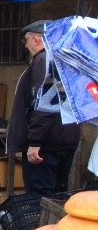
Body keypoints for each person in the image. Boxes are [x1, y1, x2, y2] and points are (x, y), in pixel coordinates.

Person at [8, 20, 80, 197]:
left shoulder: (43, 60)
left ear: (35, 39)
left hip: (45, 145)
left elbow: (44, 104)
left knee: (39, 196)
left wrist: (34, 142)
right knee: (57, 195)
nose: (26, 46)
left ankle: (44, 226)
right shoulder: (67, 60)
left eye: (26, 41)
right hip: (66, 137)